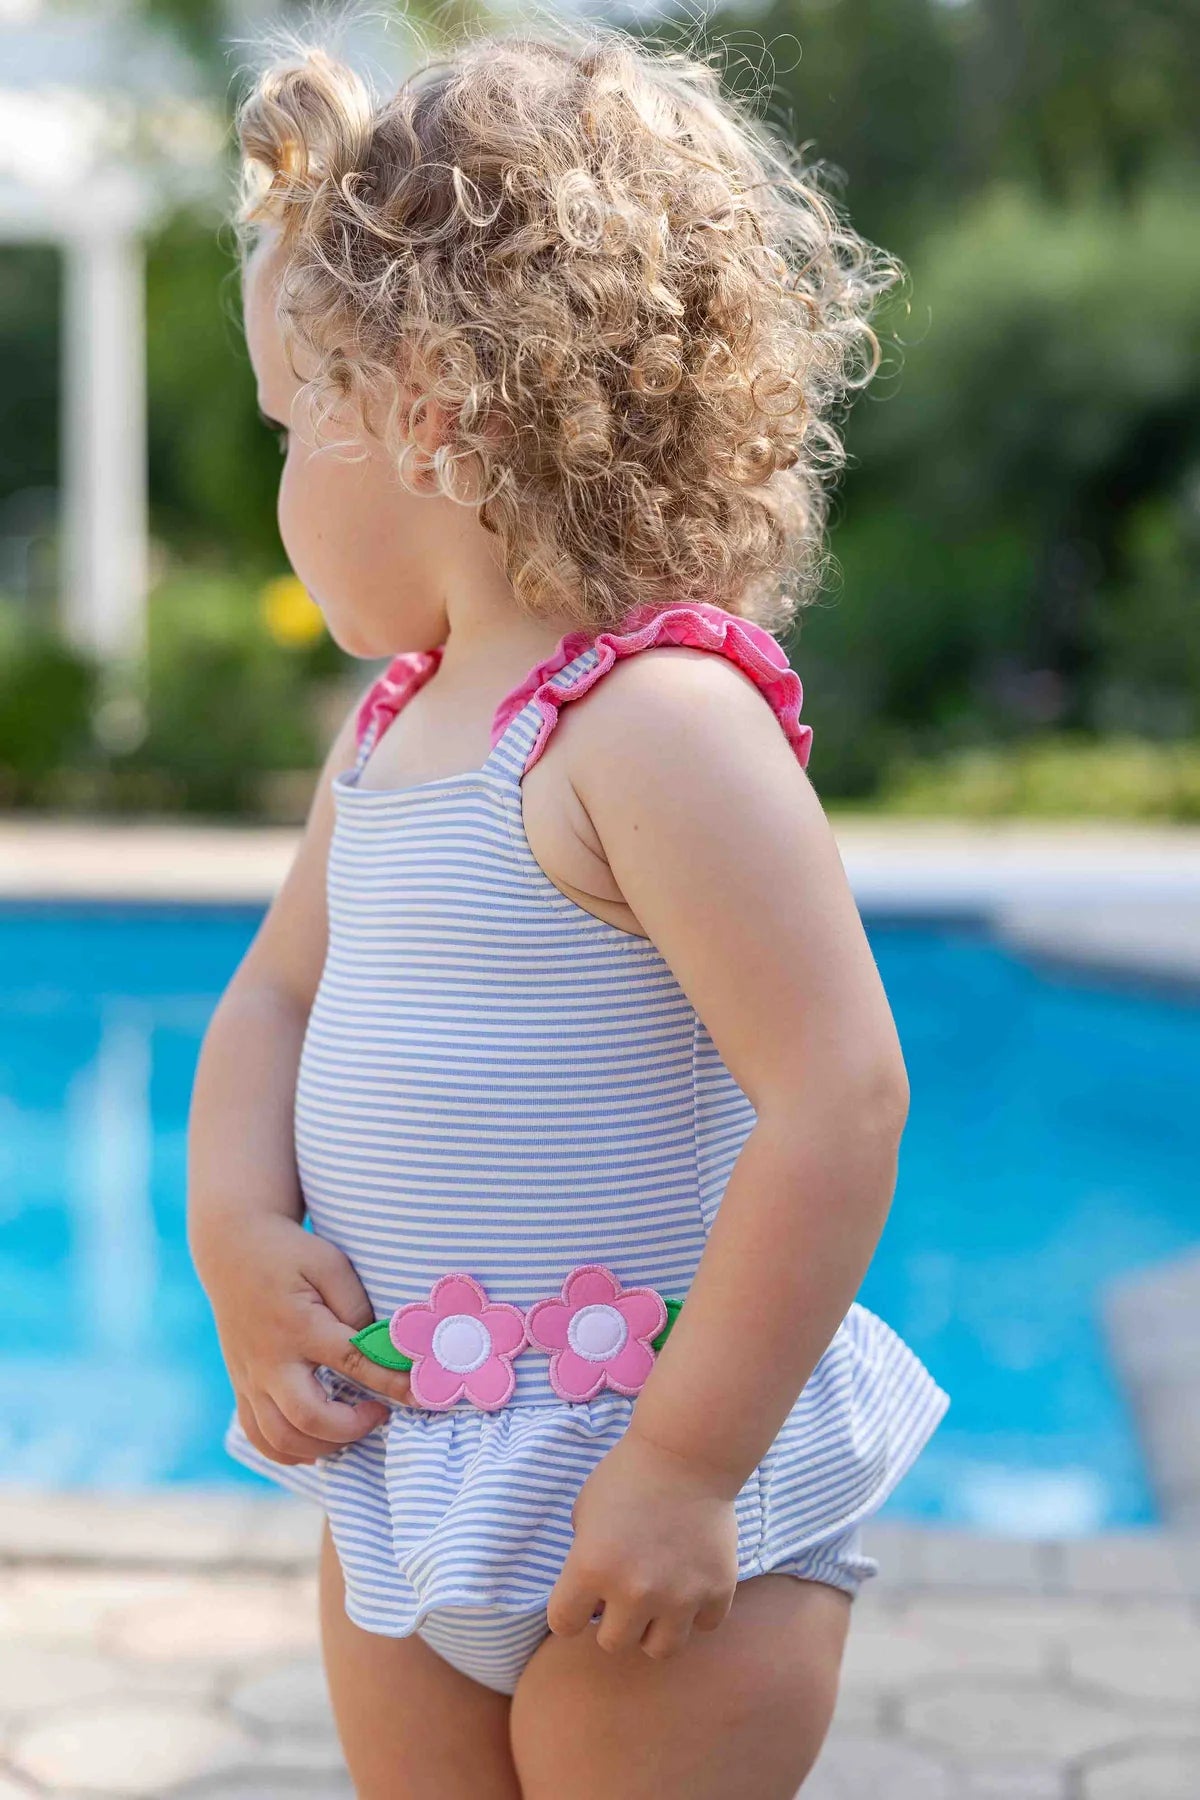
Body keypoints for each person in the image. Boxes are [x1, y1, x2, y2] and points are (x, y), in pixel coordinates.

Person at [189, 22, 947, 1798]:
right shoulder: (389, 730)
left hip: (667, 1471)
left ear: (426, 414)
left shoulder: (654, 725)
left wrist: (687, 1471)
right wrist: (232, 1238)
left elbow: (839, 1096)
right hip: (410, 1466)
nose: (285, 487)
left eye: (300, 428)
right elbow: (271, 1005)